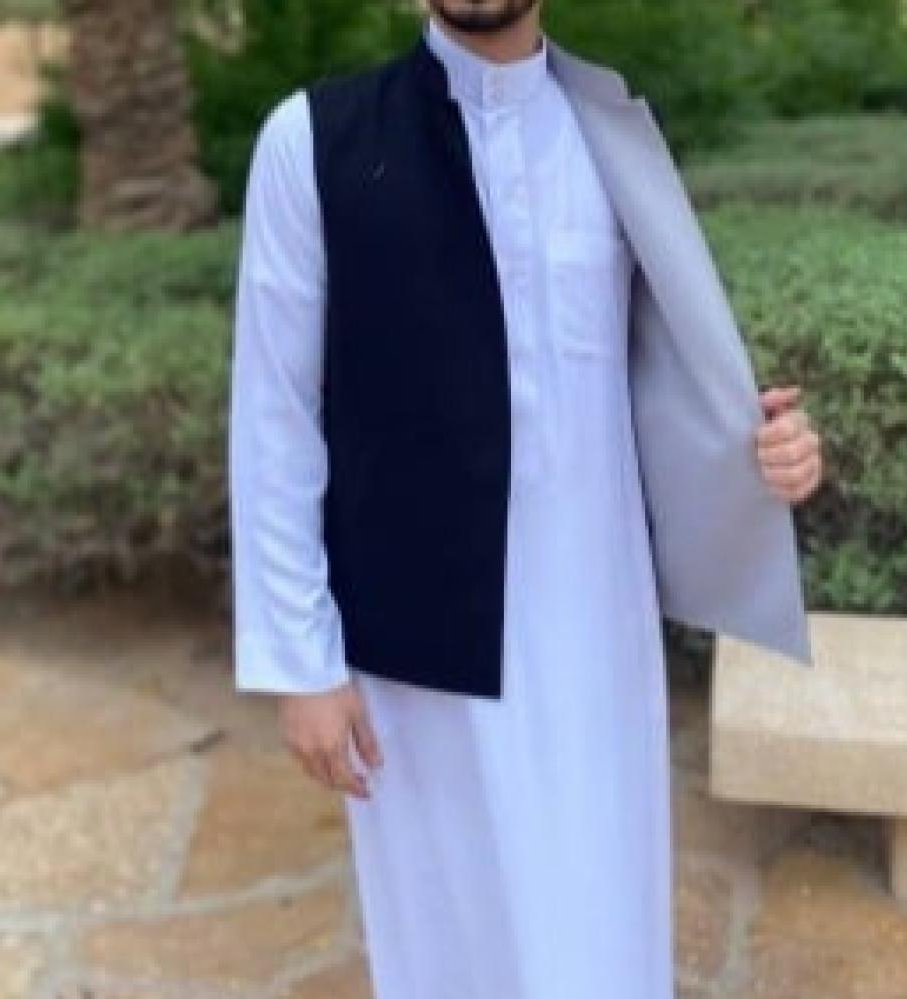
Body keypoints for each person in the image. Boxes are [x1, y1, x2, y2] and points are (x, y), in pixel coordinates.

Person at [227, 1, 824, 996]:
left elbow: (667, 380)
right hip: (418, 649)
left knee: (601, 930)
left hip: (598, 626)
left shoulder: (612, 129)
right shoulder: (312, 140)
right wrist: (301, 663)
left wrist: (766, 456)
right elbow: (274, 413)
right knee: (451, 941)